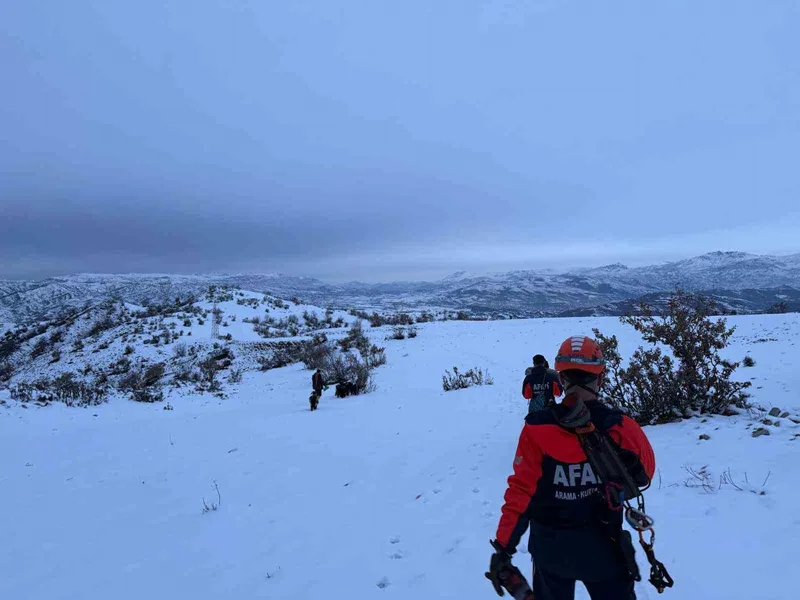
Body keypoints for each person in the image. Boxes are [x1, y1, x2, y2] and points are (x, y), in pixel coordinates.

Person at [489, 336, 656, 600]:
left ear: (561, 378)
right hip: (605, 550)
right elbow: (644, 476)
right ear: (600, 378)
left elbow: (521, 493)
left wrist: (503, 548)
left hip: (550, 552)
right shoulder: (622, 428)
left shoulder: (536, 429)